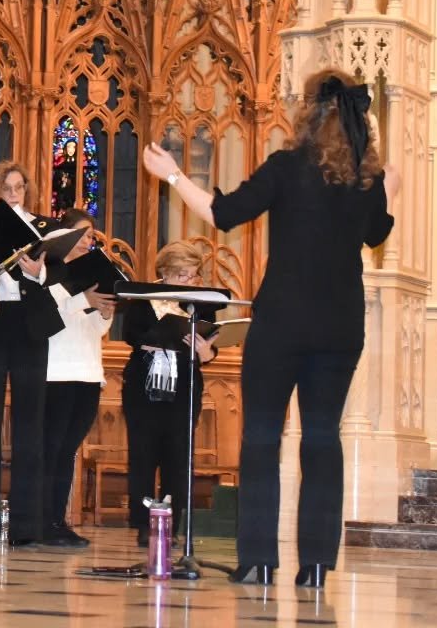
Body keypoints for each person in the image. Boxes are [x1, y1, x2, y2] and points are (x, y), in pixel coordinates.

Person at [142, 68, 397, 588]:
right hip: (340, 325)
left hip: (281, 323)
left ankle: (259, 560)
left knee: (261, 436)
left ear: (307, 113)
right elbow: (376, 234)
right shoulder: (365, 181)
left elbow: (222, 214)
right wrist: (388, 188)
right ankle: (318, 566)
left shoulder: (286, 167)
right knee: (323, 438)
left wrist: (172, 174)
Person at [0, 161, 64, 546]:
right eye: (6, 188)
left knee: (29, 427)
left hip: (28, 326)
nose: (14, 194)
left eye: (20, 187)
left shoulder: (43, 227)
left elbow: (51, 279)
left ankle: (26, 525)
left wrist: (37, 272)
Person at [119, 240, 214, 548]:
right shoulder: (144, 299)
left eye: (194, 275)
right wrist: (163, 336)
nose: (190, 281)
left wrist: (206, 351)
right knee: (144, 456)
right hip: (144, 386)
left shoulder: (200, 304)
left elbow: (211, 345)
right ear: (166, 272)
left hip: (185, 385)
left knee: (178, 457)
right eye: (183, 275)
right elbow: (131, 336)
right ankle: (144, 524)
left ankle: (173, 524)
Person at [42, 209, 116, 548]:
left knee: (68, 450)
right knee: (51, 449)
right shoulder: (48, 272)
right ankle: (44, 520)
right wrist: (81, 300)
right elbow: (48, 318)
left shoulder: (91, 274)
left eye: (92, 236)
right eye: (83, 234)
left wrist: (104, 311)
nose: (89, 240)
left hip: (88, 371)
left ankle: (58, 520)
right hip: (56, 371)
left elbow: (96, 330)